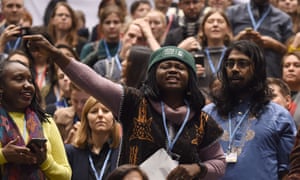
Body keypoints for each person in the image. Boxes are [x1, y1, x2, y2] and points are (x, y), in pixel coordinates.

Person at [25, 34, 226, 179]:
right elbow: (92, 81)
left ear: (190, 77)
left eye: (180, 67)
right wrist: (55, 54)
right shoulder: (133, 102)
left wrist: (198, 169)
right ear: (153, 75)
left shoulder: (202, 120)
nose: (173, 70)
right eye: (165, 66)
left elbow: (219, 163)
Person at [202, 40, 297, 180]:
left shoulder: (278, 116)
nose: (234, 68)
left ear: (257, 70)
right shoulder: (208, 113)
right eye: (230, 64)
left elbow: (287, 170)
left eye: (242, 63)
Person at [0, 60, 71, 179]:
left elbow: (66, 175)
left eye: (30, 80)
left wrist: (45, 161)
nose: (27, 85)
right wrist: (4, 155)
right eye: (19, 79)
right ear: (1, 87)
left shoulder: (45, 121)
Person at [226, 0, 294, 78]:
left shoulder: (284, 18)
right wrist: (238, 39)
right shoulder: (232, 13)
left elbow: (290, 53)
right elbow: (221, 46)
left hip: (270, 73)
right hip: (238, 71)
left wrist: (275, 45)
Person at [65, 96, 122, 180]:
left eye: (106, 111)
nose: (100, 115)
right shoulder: (71, 152)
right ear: (86, 118)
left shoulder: (124, 151)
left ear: (114, 118)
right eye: (94, 111)